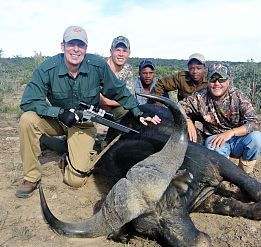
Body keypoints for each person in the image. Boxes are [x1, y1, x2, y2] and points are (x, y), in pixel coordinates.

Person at [16, 25, 161, 198]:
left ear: (86, 48)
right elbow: (28, 101)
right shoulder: (47, 68)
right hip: (57, 119)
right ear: (62, 46)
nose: (76, 49)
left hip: (83, 125)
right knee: (27, 120)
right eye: (71, 44)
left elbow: (119, 90)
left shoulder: (97, 66)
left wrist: (139, 112)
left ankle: (54, 145)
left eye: (80, 45)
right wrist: (58, 112)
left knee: (75, 181)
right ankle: (31, 177)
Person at [178, 62, 261, 174]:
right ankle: (223, 178)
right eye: (213, 79)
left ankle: (244, 174)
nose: (216, 83)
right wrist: (188, 121)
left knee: (257, 139)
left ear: (228, 81)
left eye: (221, 79)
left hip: (238, 139)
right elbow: (179, 106)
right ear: (208, 80)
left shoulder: (238, 96)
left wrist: (231, 132)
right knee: (213, 151)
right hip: (215, 139)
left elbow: (254, 123)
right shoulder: (200, 96)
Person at [99, 35, 134, 121]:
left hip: (111, 109)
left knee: (129, 111)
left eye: (124, 51)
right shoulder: (100, 65)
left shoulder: (128, 69)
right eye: (118, 50)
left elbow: (129, 97)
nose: (121, 54)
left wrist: (107, 102)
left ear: (129, 53)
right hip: (92, 107)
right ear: (111, 51)